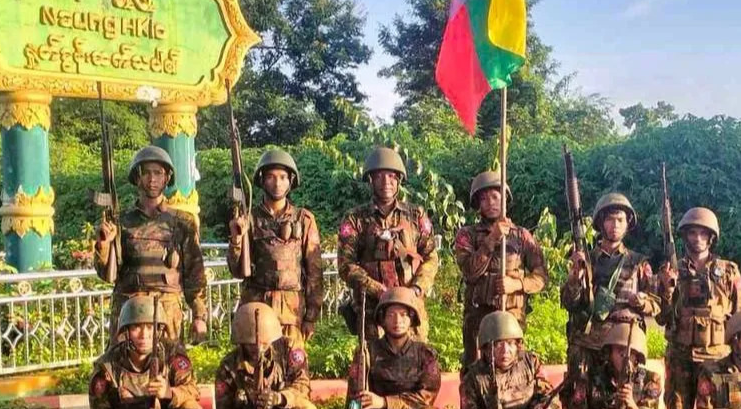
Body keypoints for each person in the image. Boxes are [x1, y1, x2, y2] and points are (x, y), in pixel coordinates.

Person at [653, 206, 741, 409]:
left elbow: (740, 315)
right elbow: (661, 316)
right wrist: (666, 289)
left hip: (715, 358)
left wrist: (739, 355)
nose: (697, 238)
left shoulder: (728, 271)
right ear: (685, 236)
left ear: (711, 237)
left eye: (702, 233)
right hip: (680, 355)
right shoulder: (672, 270)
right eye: (692, 233)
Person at [95, 145, 208, 343]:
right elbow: (107, 275)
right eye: (146, 173)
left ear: (167, 178)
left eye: (158, 173)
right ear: (137, 177)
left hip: (166, 312)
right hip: (129, 312)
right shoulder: (120, 222)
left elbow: (194, 274)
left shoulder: (182, 222)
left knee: (169, 361)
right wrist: (104, 243)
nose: (152, 179)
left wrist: (199, 316)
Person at [336, 146, 439, 341]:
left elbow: (431, 257)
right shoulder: (355, 218)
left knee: (415, 357)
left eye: (391, 176)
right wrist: (378, 290)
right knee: (373, 358)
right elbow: (346, 265)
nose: (386, 182)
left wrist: (416, 289)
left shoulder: (416, 215)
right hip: (373, 312)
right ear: (371, 180)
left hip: (409, 309)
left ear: (399, 180)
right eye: (379, 176)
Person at [227, 149, 324, 349]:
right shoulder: (249, 219)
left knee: (293, 363)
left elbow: (314, 271)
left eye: (282, 177)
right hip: (256, 310)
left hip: (291, 313)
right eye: (271, 177)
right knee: (254, 365)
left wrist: (311, 316)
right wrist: (236, 239)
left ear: (291, 181)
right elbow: (236, 270)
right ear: (262, 180)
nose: (277, 183)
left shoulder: (304, 219)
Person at [453, 170, 549, 367]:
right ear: (478, 204)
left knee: (513, 371)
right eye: (484, 198)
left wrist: (517, 284)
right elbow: (469, 271)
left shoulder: (522, 236)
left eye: (495, 197)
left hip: (511, 318)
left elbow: (541, 277)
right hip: (478, 320)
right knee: (475, 372)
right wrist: (492, 239)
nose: (490, 203)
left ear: (504, 199)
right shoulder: (467, 235)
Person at [560, 192, 660, 369]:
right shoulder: (585, 260)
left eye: (620, 220)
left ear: (627, 224)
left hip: (622, 348)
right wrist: (575, 279)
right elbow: (569, 303)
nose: (615, 225)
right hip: (587, 346)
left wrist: (642, 302)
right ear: (600, 223)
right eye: (610, 219)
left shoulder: (638, 263)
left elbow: (656, 304)